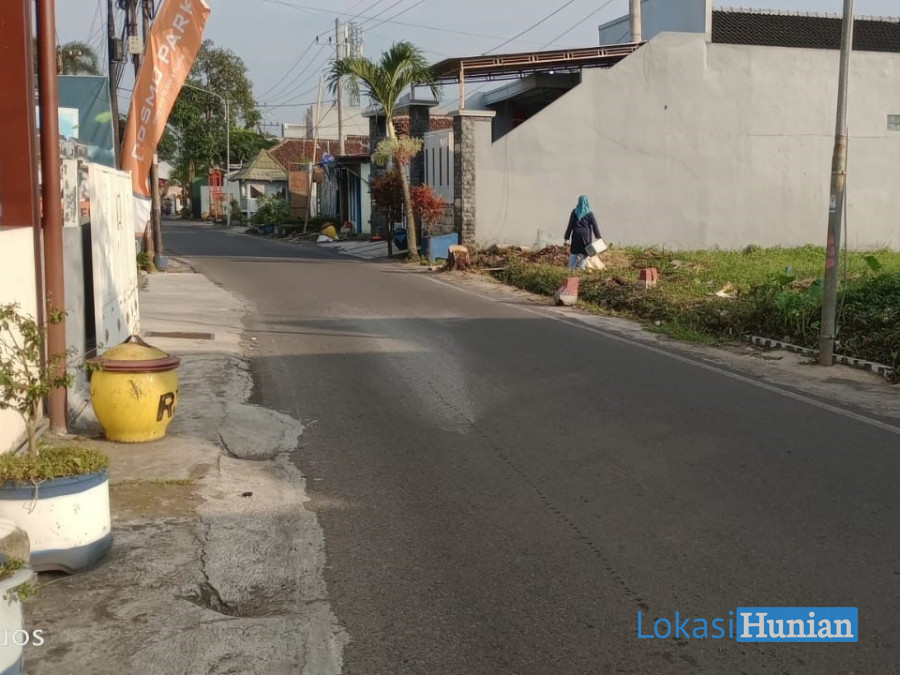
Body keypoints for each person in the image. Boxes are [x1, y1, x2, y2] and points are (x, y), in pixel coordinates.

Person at [564, 195, 602, 270]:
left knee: (574, 251)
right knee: (585, 251)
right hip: (585, 235)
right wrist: (598, 236)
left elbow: (570, 225)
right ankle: (581, 267)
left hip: (576, 234)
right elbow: (594, 225)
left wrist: (566, 236)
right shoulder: (589, 213)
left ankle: (571, 268)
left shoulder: (574, 212)